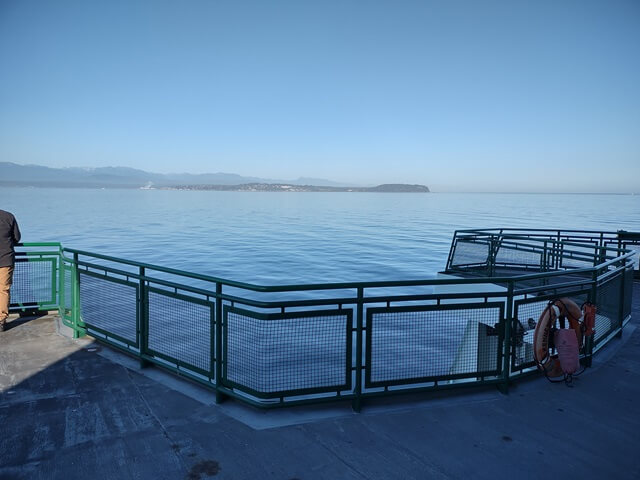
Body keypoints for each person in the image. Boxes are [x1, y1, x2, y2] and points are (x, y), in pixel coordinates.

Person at [0, 209, 21, 332]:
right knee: (3, 290)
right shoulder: (8, 216)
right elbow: (16, 237)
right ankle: (1, 321)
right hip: (5, 260)